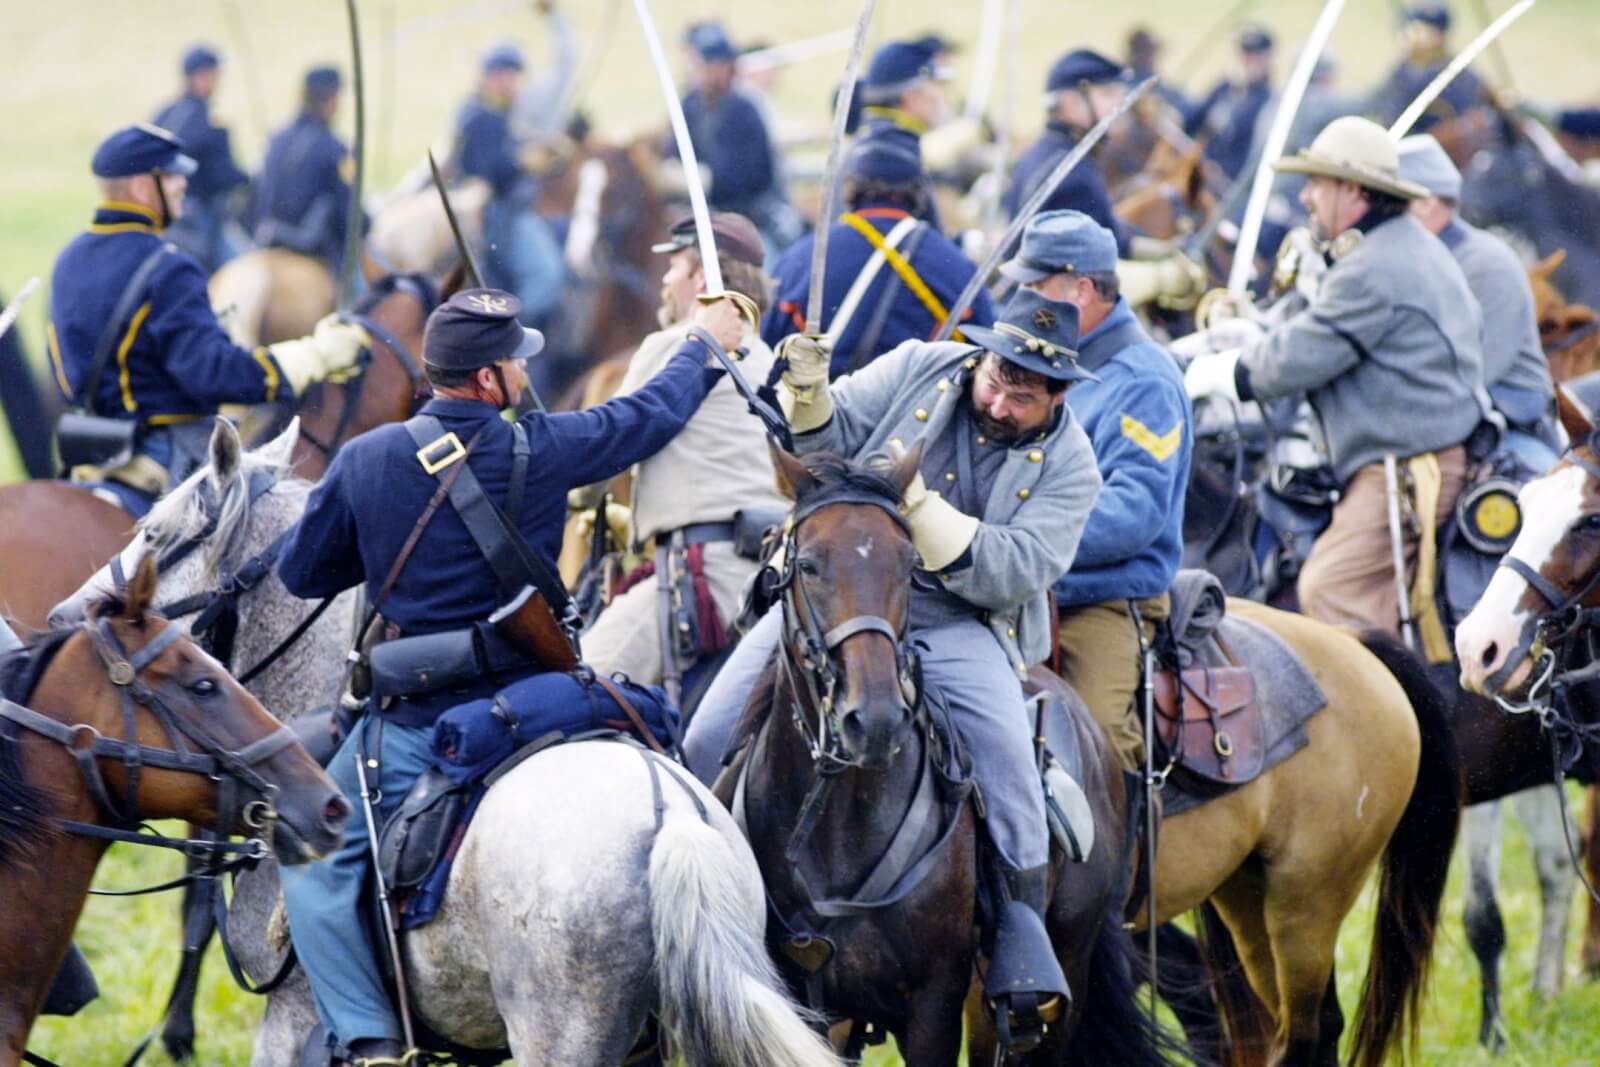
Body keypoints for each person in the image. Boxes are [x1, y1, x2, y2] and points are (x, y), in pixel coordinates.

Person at [275, 286, 746, 1067]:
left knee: (312, 850)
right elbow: (649, 416)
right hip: (545, 703)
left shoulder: (366, 461)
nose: (524, 371)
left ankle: (368, 1041)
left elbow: (303, 572)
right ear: (489, 381)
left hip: (417, 723)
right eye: (515, 361)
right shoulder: (544, 445)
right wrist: (706, 343)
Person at [685, 289, 1104, 1050]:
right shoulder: (920, 366)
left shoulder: (1073, 466)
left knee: (1011, 765)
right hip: (841, 590)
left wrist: (919, 510)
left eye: (1024, 395)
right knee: (705, 736)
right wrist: (806, 389)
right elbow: (825, 435)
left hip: (957, 615)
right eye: (997, 381)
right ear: (982, 358)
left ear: (1058, 395)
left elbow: (1013, 568)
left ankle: (1016, 936)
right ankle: (695, 925)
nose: (1002, 402)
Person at [1182, 116, 1487, 639]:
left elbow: (1296, 358)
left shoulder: (1374, 266)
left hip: (1405, 469)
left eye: (1317, 183)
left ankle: (1377, 717)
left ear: (1352, 191)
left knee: (1330, 587)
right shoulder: (1390, 247)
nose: (1305, 197)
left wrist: (1208, 374)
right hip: (1406, 457)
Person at [47, 124, 367, 516]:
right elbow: (211, 375)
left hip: (91, 455)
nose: (183, 184)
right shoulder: (168, 268)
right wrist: (313, 357)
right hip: (171, 457)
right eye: (171, 175)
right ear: (141, 188)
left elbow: (64, 371)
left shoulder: (68, 259)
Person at [1001, 211, 1191, 769]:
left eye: (1035, 287)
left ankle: (1132, 857)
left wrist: (1019, 543)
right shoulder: (1042, 365)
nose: (1022, 298)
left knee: (1101, 744)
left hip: (1098, 600)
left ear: (1080, 291)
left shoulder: (1144, 381)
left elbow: (1133, 513)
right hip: (1017, 587)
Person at [572, 213, 788, 696]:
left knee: (572, 692)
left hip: (701, 581)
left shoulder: (670, 345)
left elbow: (607, 456)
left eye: (675, 268)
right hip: (774, 581)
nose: (665, 281)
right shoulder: (777, 363)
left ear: (703, 281)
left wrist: (578, 498)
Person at [763, 124, 994, 374]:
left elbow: (768, 349)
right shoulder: (956, 267)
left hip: (818, 410)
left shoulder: (801, 259)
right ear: (919, 188)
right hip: (916, 409)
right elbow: (983, 357)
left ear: (851, 184)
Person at [1398, 134, 1558, 470]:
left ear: (1426, 202)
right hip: (1429, 424)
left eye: (1392, 202)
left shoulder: (1485, 264)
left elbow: (1478, 372)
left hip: (1505, 425)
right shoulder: (1408, 261)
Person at [1008, 48, 1204, 308]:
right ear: (1071, 102)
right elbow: (1085, 271)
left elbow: (1109, 235)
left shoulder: (1047, 153)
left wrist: (1156, 249)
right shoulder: (1074, 174)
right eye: (1107, 94)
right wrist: (1161, 277)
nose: (1119, 105)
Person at [457, 43, 564, 326]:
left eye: (514, 76)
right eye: (503, 76)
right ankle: (515, 333)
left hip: (516, 209)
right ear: (490, 78)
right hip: (498, 214)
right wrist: (525, 161)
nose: (510, 83)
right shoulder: (479, 116)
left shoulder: (501, 113)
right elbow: (491, 170)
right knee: (546, 275)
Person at [671, 22, 790, 258]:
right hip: (699, 219)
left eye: (712, 63)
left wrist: (704, 179)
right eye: (701, 63)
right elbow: (672, 149)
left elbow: (747, 176)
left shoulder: (745, 111)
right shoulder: (689, 106)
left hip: (748, 219)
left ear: (727, 67)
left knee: (768, 267)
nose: (704, 70)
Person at [251, 66, 359, 277]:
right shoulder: (335, 148)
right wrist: (365, 226)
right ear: (331, 100)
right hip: (310, 245)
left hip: (268, 236)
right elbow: (345, 209)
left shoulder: (276, 138)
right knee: (360, 288)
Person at [152, 44, 249, 272]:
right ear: (202, 77)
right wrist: (245, 178)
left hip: (157, 212)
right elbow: (221, 176)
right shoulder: (209, 121)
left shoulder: (164, 113)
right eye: (215, 75)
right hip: (195, 219)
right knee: (239, 266)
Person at [1367, 3, 1486, 135]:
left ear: (1438, 37)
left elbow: (1467, 124)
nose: (1408, 35)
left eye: (1418, 30)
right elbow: (1375, 104)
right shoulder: (1401, 71)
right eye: (1407, 28)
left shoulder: (1459, 76)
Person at [1184, 25, 1275, 181]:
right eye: (1246, 55)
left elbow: (1252, 152)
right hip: (1200, 172)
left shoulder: (1270, 101)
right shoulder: (1224, 88)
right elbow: (1191, 122)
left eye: (1256, 57)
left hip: (1231, 182)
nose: (1249, 62)